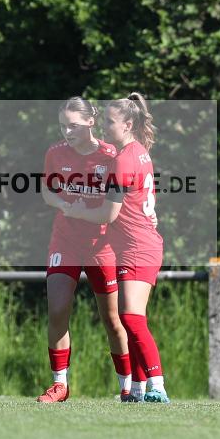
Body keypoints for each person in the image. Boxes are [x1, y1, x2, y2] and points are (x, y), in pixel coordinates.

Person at [62, 92, 168, 403]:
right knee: (127, 316)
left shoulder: (123, 159)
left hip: (139, 247)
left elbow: (108, 214)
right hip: (134, 244)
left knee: (132, 318)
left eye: (109, 122)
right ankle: (135, 389)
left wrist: (76, 210)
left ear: (128, 123)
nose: (105, 127)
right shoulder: (139, 151)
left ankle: (157, 385)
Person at [37, 97, 132, 403]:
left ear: (91, 121)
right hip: (64, 242)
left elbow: (121, 202)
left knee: (113, 320)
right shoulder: (55, 153)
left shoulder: (110, 155)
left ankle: (127, 386)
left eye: (73, 125)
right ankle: (60, 384)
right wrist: (63, 203)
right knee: (57, 309)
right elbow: (46, 191)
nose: (67, 131)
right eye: (63, 126)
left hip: (101, 247)